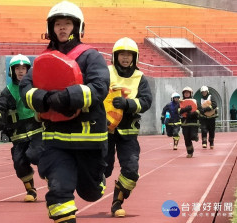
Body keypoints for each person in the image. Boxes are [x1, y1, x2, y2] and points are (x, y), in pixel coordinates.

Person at [19, 1, 110, 222]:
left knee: (91, 193)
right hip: (55, 141)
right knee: (59, 192)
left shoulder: (91, 56)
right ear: (51, 28)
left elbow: (100, 87)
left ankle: (95, 181)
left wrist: (67, 97)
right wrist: (44, 99)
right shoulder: (42, 59)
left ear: (77, 27)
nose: (62, 28)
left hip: (88, 141)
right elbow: (26, 88)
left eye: (67, 24)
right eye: (58, 24)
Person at [103, 37, 152, 217]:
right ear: (115, 56)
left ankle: (117, 202)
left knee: (131, 170)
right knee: (103, 169)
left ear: (135, 57)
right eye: (121, 54)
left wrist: (128, 104)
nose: (125, 58)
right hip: (105, 130)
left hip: (128, 132)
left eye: (129, 55)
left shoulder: (140, 78)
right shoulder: (105, 72)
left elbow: (146, 101)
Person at [0, 54, 44, 202]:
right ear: (11, 71)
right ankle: (31, 190)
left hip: (37, 130)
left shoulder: (36, 86)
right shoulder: (8, 91)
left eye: (24, 68)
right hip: (18, 134)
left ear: (28, 70)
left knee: (37, 154)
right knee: (19, 162)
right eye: (17, 68)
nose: (21, 71)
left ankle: (53, 183)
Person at [179, 86, 200, 158]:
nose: (187, 94)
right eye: (185, 93)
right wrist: (184, 109)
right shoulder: (180, 102)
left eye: (188, 93)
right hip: (185, 122)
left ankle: (195, 136)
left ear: (191, 93)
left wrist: (193, 113)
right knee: (187, 138)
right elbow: (178, 111)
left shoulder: (195, 101)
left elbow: (199, 110)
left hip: (193, 122)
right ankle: (190, 152)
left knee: (193, 136)